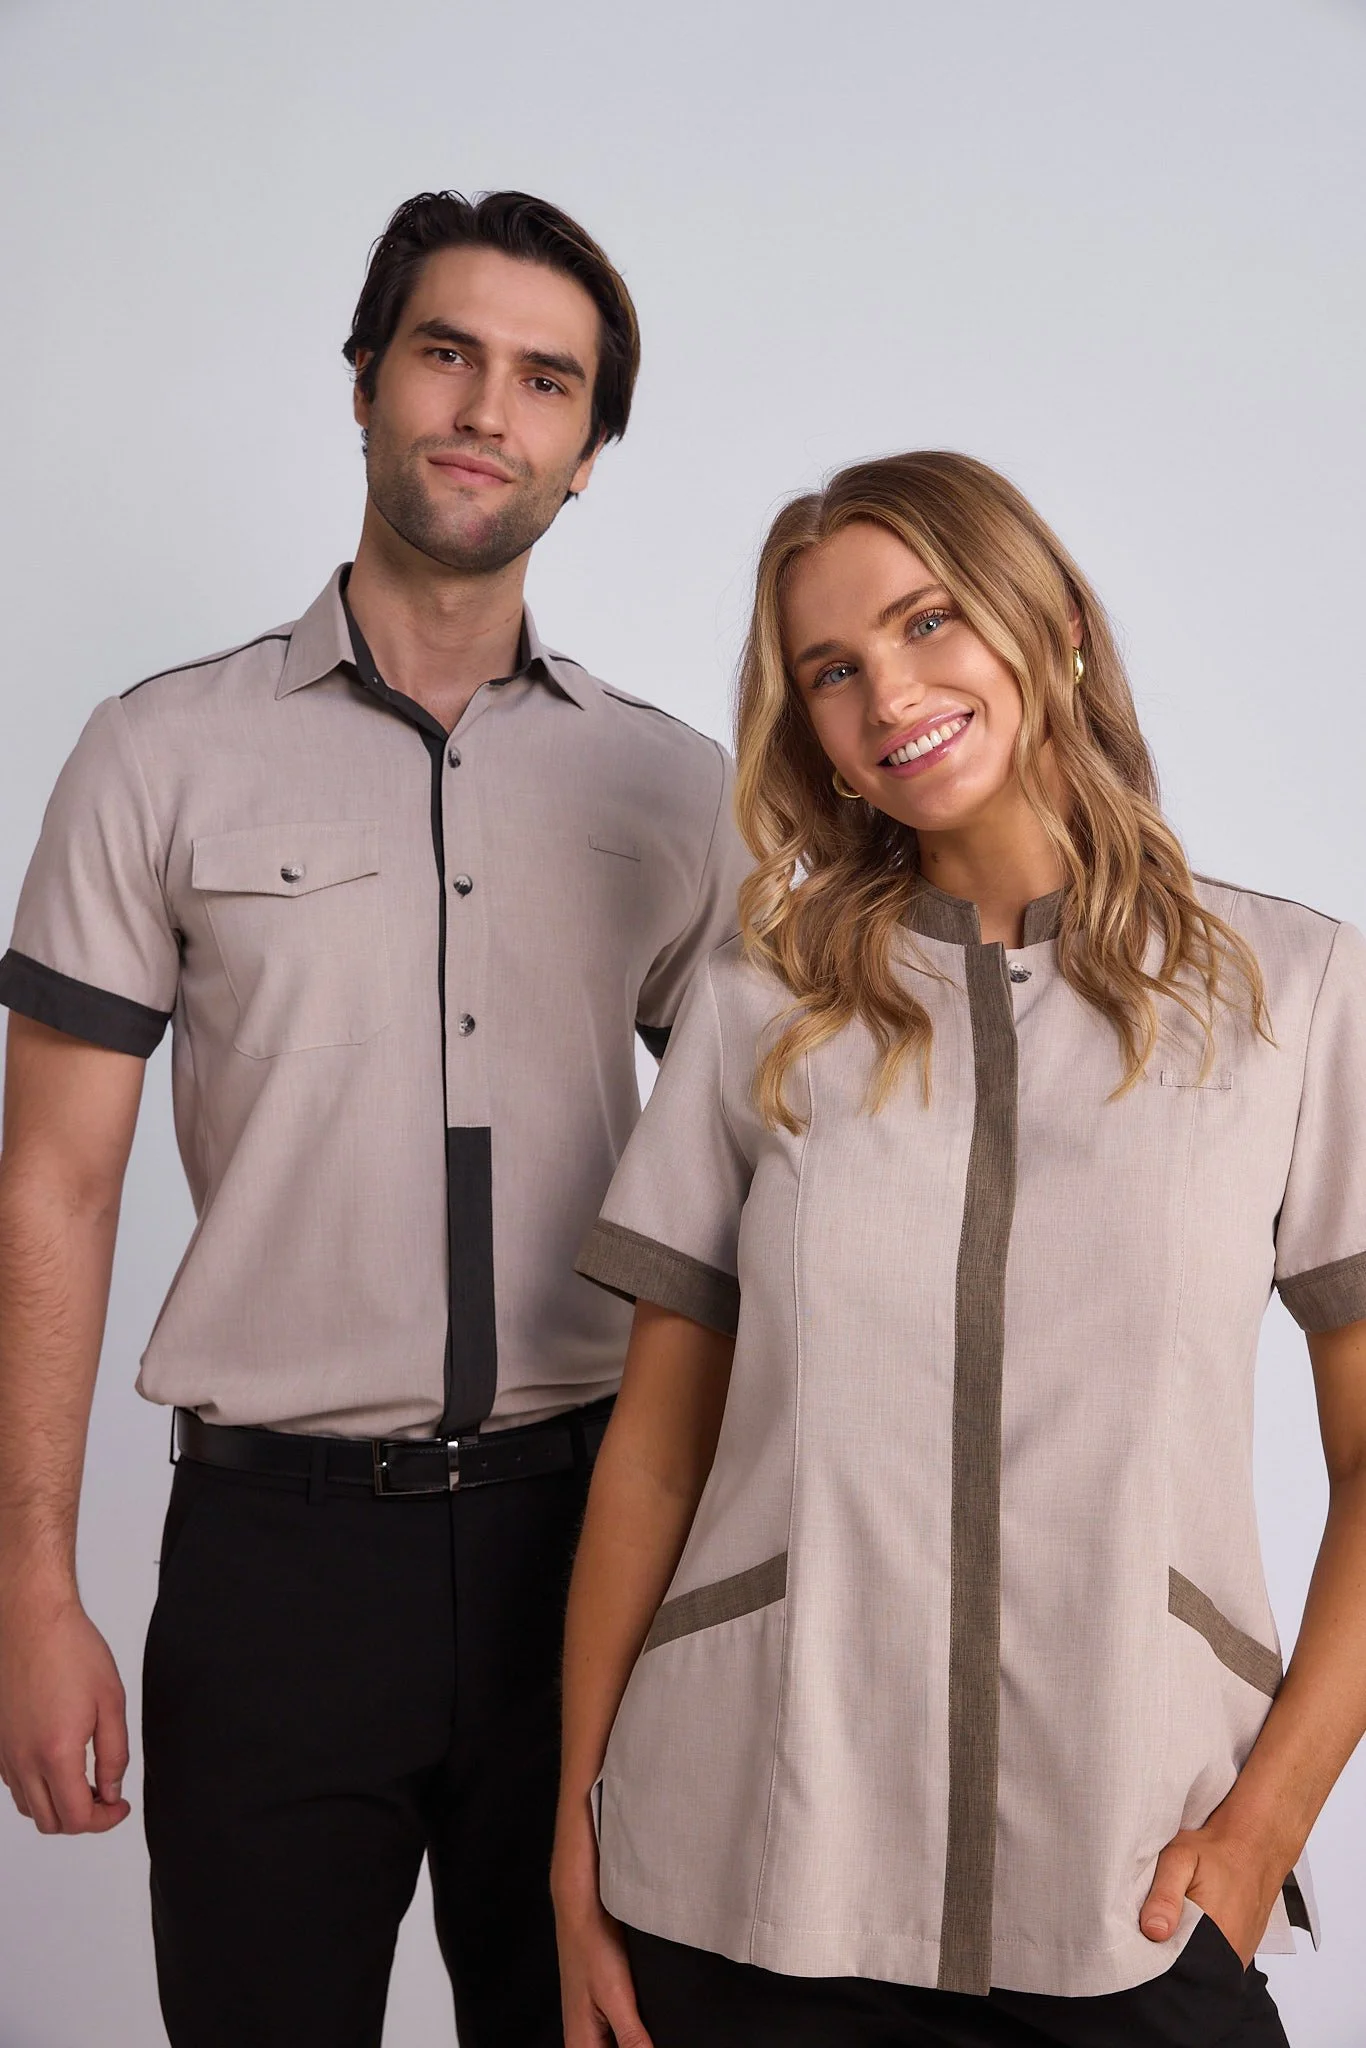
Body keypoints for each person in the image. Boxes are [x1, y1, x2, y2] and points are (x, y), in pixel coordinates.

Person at [0, 189, 748, 2048]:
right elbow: (55, 1185)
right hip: (275, 1575)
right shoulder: (154, 756)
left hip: (591, 1557)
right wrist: (32, 1583)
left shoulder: (675, 791)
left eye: (545, 380)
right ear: (362, 386)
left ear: (588, 453)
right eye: (447, 351)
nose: (488, 407)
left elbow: (775, 1176)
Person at [552, 451, 1366, 2048]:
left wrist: (1267, 1819)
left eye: (928, 624)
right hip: (749, 1867)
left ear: (1051, 626)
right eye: (831, 671)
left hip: (1125, 1871)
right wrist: (575, 1845)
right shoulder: (757, 1013)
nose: (887, 694)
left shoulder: (1293, 994)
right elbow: (651, 1456)